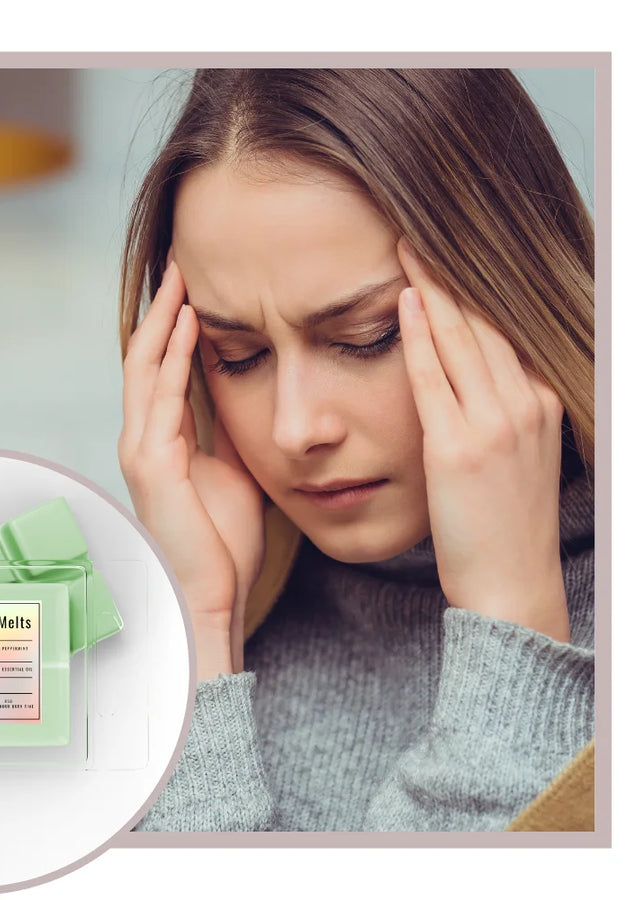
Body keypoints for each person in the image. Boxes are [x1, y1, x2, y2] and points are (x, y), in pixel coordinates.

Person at [118, 69, 595, 832]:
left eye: (365, 337)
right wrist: (191, 635)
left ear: (513, 290)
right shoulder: (122, 617)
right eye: (237, 354)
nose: (295, 429)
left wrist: (514, 626)